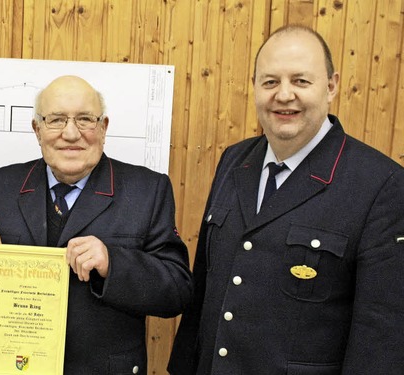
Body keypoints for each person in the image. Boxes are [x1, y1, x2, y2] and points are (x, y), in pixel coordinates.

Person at [168, 25, 404, 374]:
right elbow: (205, 289)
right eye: (270, 82)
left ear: (332, 86)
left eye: (300, 81)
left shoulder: (379, 183)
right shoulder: (235, 161)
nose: (284, 95)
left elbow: (381, 332)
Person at [0, 75, 193, 374]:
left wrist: (112, 263)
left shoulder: (147, 190)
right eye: (55, 120)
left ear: (103, 128)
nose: (70, 133)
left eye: (84, 120)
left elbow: (177, 290)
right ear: (37, 130)